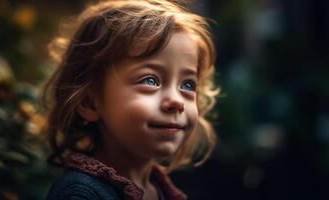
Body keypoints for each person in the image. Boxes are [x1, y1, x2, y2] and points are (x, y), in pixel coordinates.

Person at [43, 0, 218, 199]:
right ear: (89, 103)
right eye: (151, 80)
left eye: (187, 85)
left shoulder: (161, 190)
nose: (177, 101)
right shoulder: (80, 194)